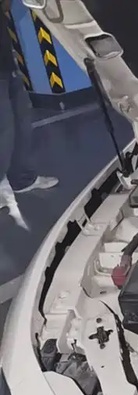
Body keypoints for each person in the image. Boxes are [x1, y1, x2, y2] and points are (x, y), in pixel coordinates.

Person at [1, 0, 59, 227]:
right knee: (3, 128)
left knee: (22, 121)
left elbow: (6, 7)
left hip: (5, 62)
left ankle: (21, 178)